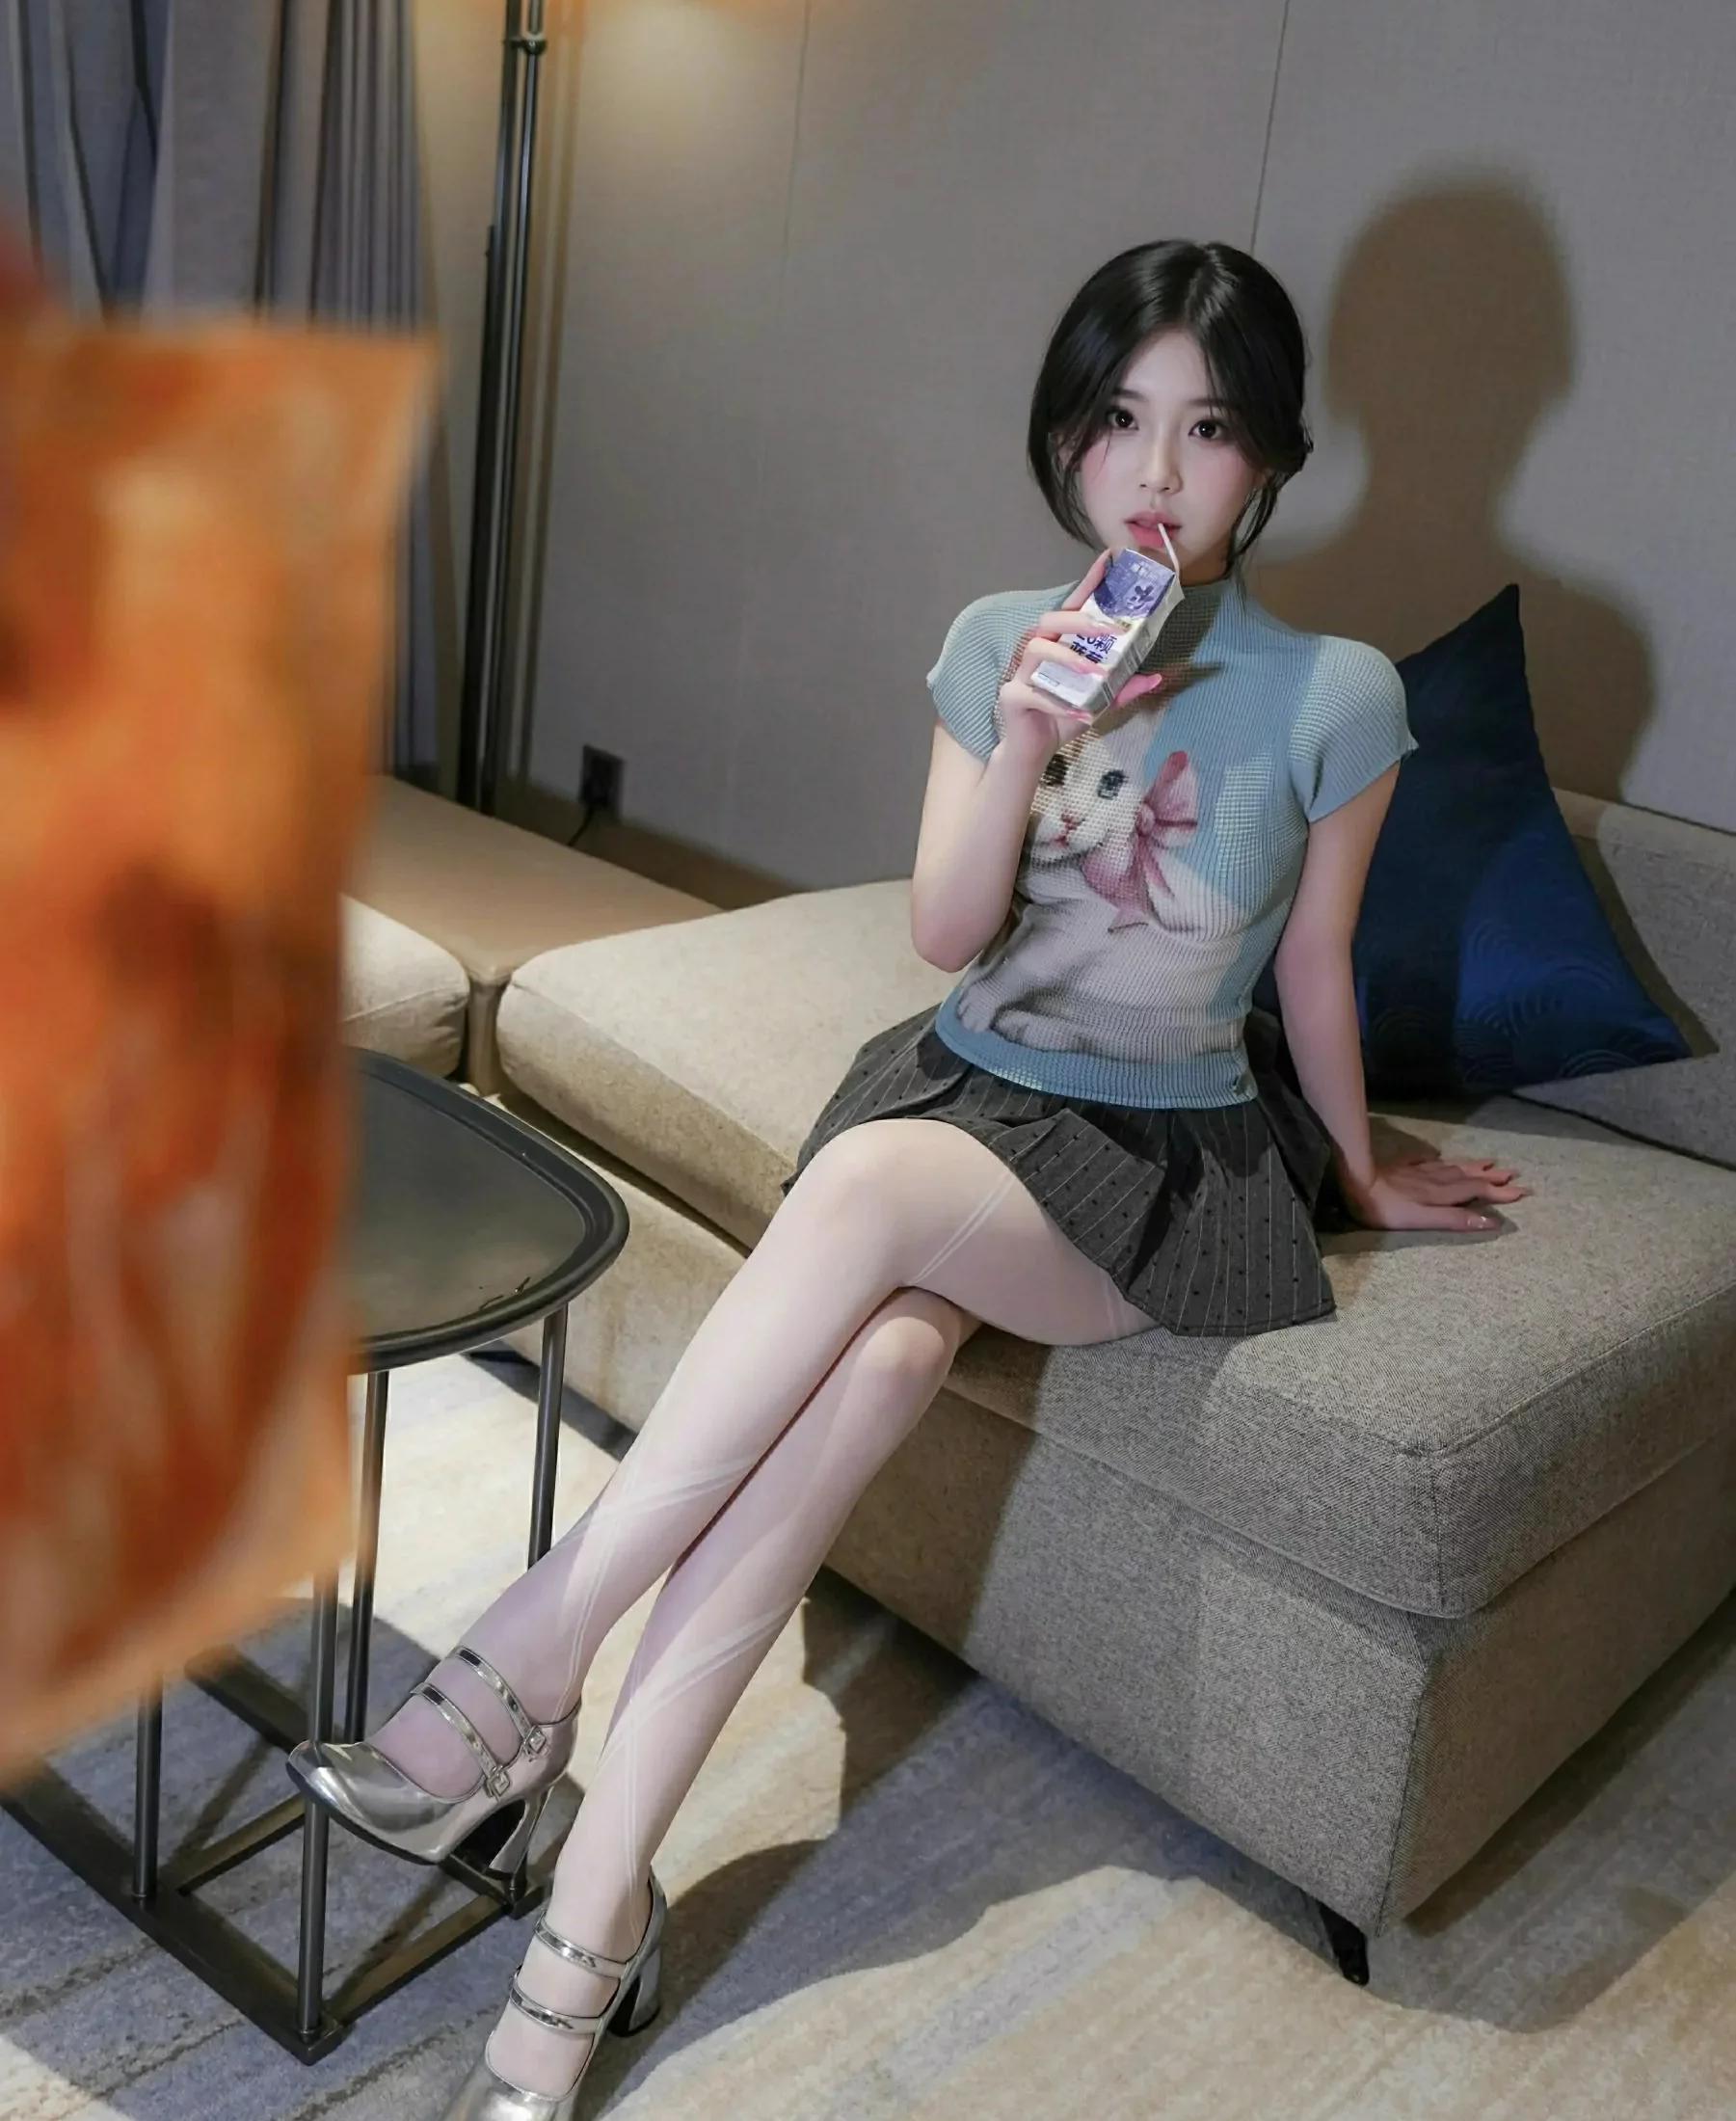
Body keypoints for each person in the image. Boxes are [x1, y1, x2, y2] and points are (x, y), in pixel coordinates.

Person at [289, 237, 1531, 2119]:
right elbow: (948, 932)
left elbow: (1310, 966)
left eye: (1206, 429)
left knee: (868, 1190)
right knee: (875, 1361)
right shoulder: (992, 639)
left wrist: (1357, 1171)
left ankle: (530, 1648)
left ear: (1272, 456)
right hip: (966, 1096)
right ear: (1064, 436)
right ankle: (589, 1924)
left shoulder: (1330, 693)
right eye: (1116, 419)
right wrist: (1027, 727)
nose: (1155, 470)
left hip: (1163, 1160)